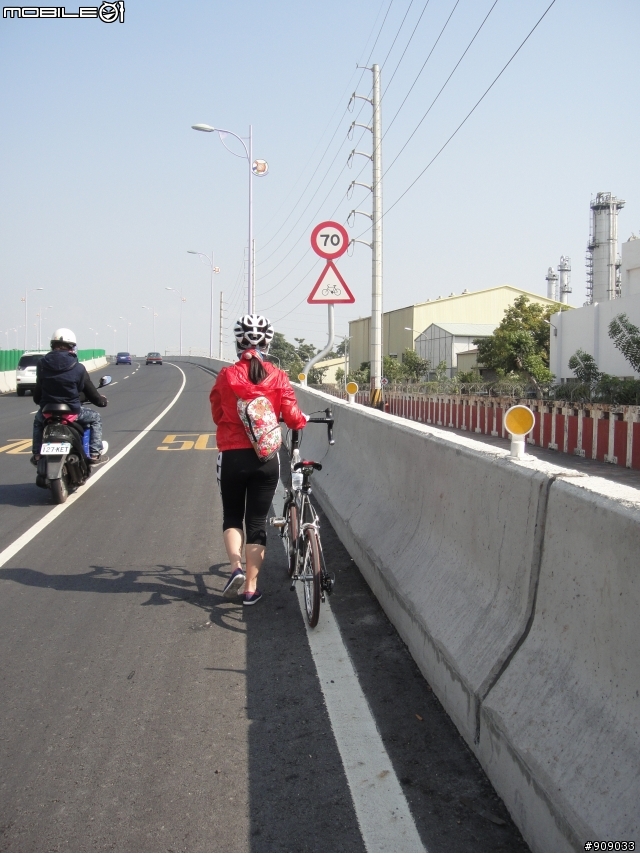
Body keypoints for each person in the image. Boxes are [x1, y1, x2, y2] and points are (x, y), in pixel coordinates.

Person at [210, 314, 308, 606]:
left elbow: (217, 415)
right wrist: (295, 419)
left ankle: (235, 569)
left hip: (233, 456)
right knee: (257, 523)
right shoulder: (278, 376)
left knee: (231, 516)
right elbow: (293, 418)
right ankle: (251, 588)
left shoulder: (226, 377)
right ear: (268, 341)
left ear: (238, 341)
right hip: (266, 459)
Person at [31, 328, 108, 464]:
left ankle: (37, 454)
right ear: (72, 346)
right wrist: (102, 401)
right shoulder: (78, 367)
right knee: (95, 418)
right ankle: (95, 453)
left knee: (38, 422)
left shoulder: (41, 365)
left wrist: (39, 400)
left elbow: (38, 392)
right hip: (72, 411)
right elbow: (89, 392)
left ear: (52, 345)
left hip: (47, 412)